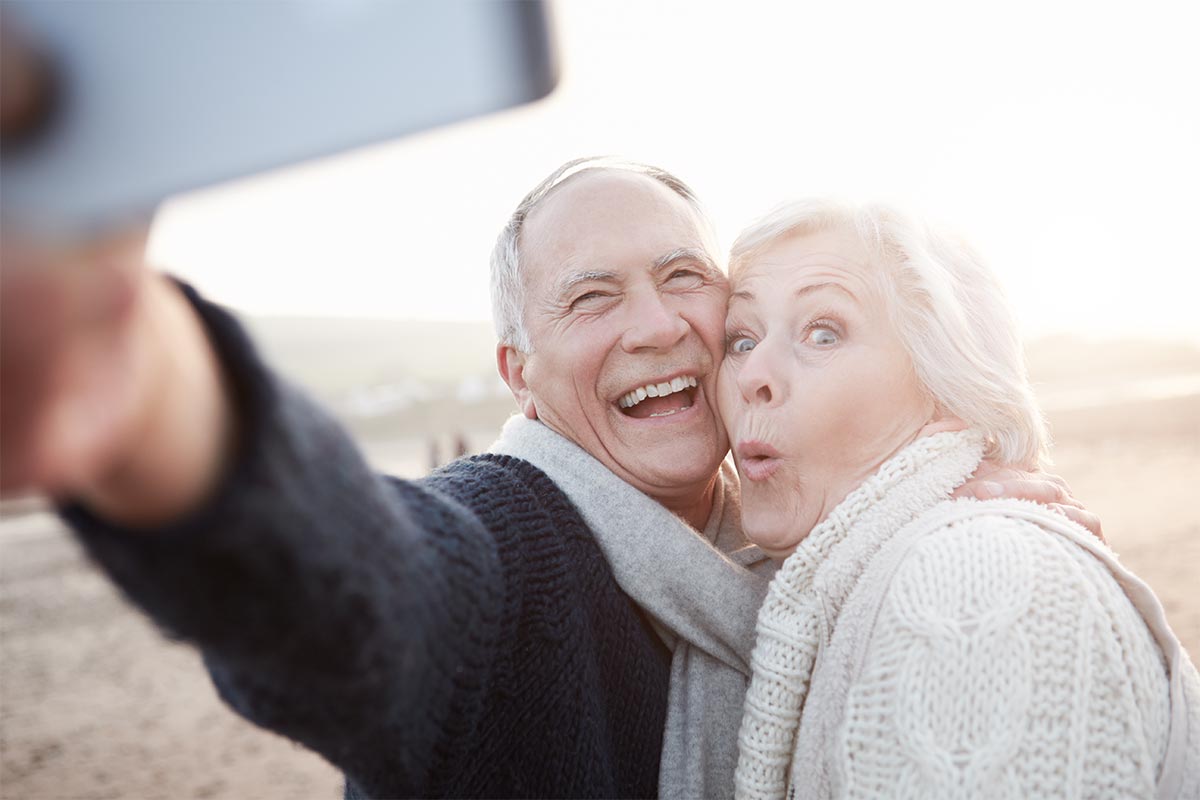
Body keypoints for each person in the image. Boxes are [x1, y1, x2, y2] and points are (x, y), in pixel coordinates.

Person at [0, 158, 1102, 799]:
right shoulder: (508, 547)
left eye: (684, 277)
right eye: (592, 298)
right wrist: (143, 391)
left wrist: (918, 508)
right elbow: (361, 588)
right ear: (518, 375)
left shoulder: (793, 554)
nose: (660, 323)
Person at [718, 199, 1200, 799]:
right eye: (740, 339)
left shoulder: (971, 578)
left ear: (948, 383)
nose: (750, 374)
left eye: (823, 332)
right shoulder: (824, 588)